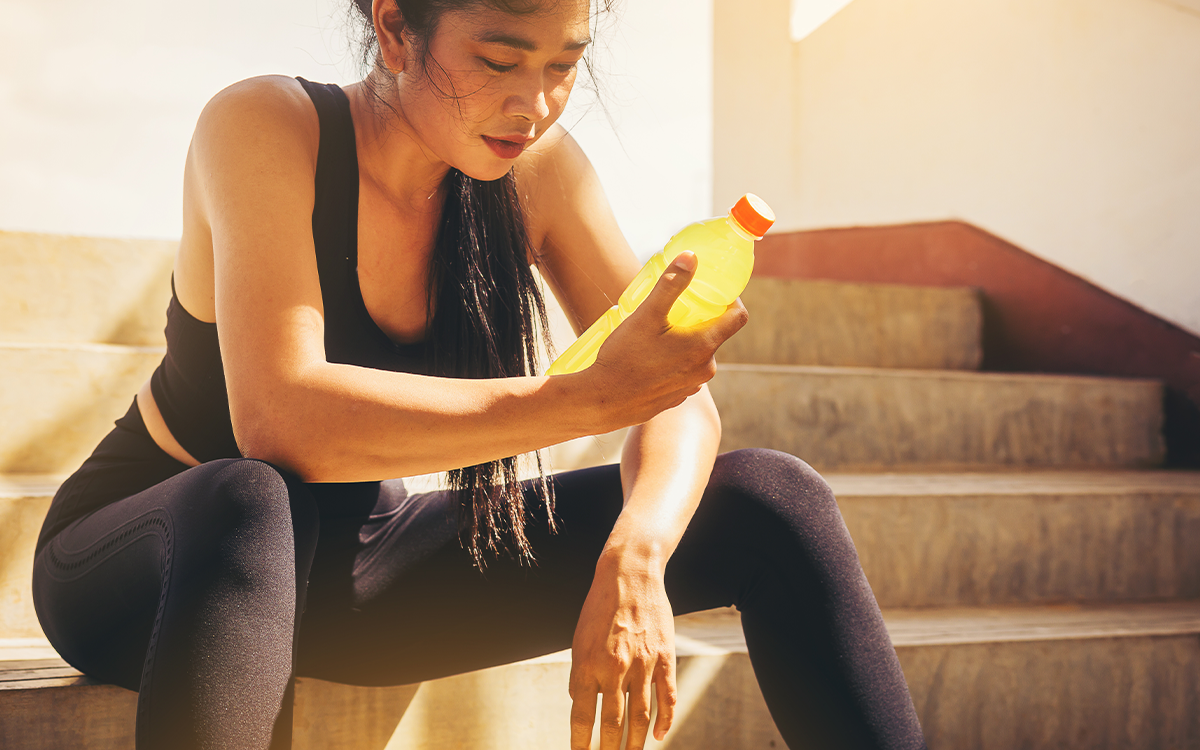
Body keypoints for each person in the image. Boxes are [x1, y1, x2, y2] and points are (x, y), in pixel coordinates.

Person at [31, 0, 926, 748]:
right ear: (392, 29)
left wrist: (638, 550)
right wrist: (577, 401)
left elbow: (676, 397)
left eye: (563, 65)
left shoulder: (537, 174)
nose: (533, 104)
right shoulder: (266, 126)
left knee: (773, 499)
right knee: (254, 496)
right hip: (159, 556)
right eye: (499, 61)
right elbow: (282, 419)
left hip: (356, 575)